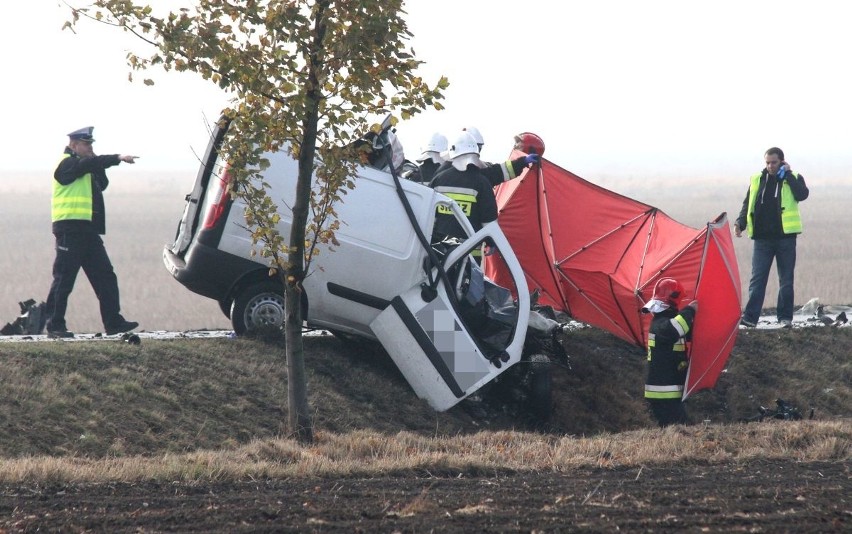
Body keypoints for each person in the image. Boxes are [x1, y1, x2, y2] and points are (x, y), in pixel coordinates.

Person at [43, 126, 140, 338]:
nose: (90, 147)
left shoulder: (85, 166)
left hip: (87, 230)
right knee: (64, 278)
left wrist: (98, 164)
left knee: (105, 275)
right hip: (69, 228)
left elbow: (102, 184)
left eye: (91, 145)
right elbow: (85, 165)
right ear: (73, 145)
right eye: (86, 144)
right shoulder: (66, 164)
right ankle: (55, 326)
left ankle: (114, 322)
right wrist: (117, 158)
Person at [734, 147, 809, 328]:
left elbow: (802, 194)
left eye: (774, 163)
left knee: (786, 280)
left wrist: (788, 174)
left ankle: (785, 318)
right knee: (757, 279)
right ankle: (750, 318)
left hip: (785, 239)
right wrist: (740, 223)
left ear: (781, 161)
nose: (770, 166)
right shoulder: (757, 180)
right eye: (767, 162)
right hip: (762, 240)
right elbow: (748, 204)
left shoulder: (793, 177)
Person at [641, 277, 697, 427]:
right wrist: (690, 310)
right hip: (663, 392)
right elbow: (676, 328)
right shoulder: (662, 325)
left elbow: (688, 332)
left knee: (676, 429)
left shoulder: (663, 324)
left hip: (667, 390)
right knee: (681, 429)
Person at [428, 131, 499, 245]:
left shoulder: (439, 179)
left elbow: (428, 215)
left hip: (438, 250)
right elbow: (489, 221)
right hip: (470, 250)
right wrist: (491, 242)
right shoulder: (482, 182)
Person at [432, 126, 540, 187]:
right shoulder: (478, 174)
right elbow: (496, 173)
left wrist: (521, 162)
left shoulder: (440, 173)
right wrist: (522, 162)